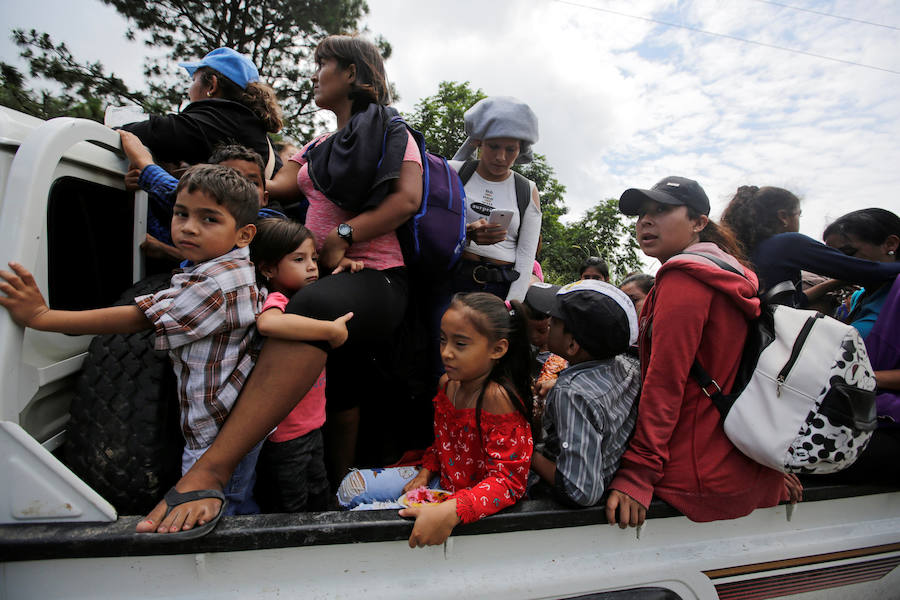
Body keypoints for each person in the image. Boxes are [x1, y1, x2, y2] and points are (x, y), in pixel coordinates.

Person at [0, 165, 268, 522]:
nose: (188, 227)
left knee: (217, 504)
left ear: (244, 235)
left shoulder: (216, 283)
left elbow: (138, 317)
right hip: (227, 411)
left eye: (209, 219)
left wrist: (42, 318)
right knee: (234, 493)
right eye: (181, 213)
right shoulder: (221, 267)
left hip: (215, 427)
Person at [605, 176, 796, 529]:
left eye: (661, 210)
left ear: (699, 222)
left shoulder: (684, 280)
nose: (645, 221)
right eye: (642, 214)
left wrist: (639, 471)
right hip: (743, 464)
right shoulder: (731, 273)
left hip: (694, 474)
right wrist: (767, 462)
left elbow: (665, 381)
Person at [335, 292, 534, 547]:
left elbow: (509, 482)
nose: (446, 353)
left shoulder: (497, 398)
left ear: (498, 349)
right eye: (442, 340)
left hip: (472, 500)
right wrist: (426, 472)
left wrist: (451, 511)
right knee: (351, 486)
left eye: (460, 344)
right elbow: (443, 443)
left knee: (364, 519)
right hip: (443, 481)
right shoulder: (447, 384)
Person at [249, 218, 357, 512]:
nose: (311, 266)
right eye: (299, 259)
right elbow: (268, 322)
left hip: (311, 424)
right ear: (269, 269)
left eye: (313, 258)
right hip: (285, 433)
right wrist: (330, 331)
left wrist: (343, 265)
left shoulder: (304, 298)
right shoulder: (279, 299)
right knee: (292, 503)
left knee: (318, 488)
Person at [526, 280, 641, 507]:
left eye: (556, 322)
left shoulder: (571, 395)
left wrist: (525, 452)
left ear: (572, 345)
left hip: (556, 504)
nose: (548, 325)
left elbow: (580, 490)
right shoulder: (627, 366)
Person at [815, 208, 900, 485]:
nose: (839, 263)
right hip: (850, 411)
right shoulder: (860, 295)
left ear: (890, 245)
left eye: (849, 254)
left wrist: (860, 379)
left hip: (887, 422)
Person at [720, 186, 900, 307]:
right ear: (783, 216)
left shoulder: (748, 250)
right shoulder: (787, 243)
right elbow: (868, 271)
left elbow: (796, 302)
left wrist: (831, 284)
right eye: (798, 215)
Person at [120, 131, 276, 266]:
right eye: (225, 178)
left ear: (265, 197)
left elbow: (175, 194)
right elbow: (149, 230)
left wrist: (145, 164)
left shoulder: (272, 224)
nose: (238, 187)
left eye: (252, 182)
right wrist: (136, 193)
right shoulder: (189, 223)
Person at [121, 47, 282, 177]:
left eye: (194, 81)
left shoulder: (222, 117)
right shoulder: (248, 126)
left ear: (212, 85)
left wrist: (117, 125)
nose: (189, 90)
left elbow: (155, 131)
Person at [448, 96, 542, 302]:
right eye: (493, 146)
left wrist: (511, 305)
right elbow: (434, 226)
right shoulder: (453, 172)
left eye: (510, 149)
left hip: (498, 290)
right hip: (450, 281)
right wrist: (465, 235)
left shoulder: (527, 189)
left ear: (521, 150)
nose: (501, 157)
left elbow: (526, 257)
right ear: (479, 142)